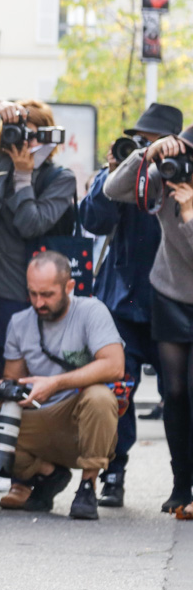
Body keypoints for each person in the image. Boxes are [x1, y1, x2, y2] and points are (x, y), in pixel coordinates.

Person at [0, 98, 77, 503]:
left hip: (24, 298)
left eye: (33, 135)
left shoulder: (59, 178)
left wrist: (24, 177)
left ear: (49, 138)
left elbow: (31, 223)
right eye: (19, 133)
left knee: (21, 392)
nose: (24, 143)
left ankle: (22, 478)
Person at [0, 252, 124, 520]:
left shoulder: (91, 311)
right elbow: (14, 379)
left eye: (48, 295)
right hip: (40, 417)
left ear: (69, 287)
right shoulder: (20, 322)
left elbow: (114, 365)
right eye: (33, 293)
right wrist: (1, 391)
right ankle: (50, 474)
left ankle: (87, 486)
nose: (39, 302)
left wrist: (55, 383)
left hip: (82, 418)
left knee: (100, 396)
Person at [78, 103, 180, 508]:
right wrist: (112, 171)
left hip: (172, 301)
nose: (144, 149)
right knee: (117, 391)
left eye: (152, 143)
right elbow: (93, 221)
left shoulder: (181, 175)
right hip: (122, 299)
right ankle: (112, 473)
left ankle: (183, 480)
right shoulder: (123, 175)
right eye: (138, 141)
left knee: (180, 395)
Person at [105, 125, 193, 512]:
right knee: (174, 394)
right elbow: (114, 189)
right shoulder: (168, 175)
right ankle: (181, 485)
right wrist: (148, 153)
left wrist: (188, 214)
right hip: (170, 293)